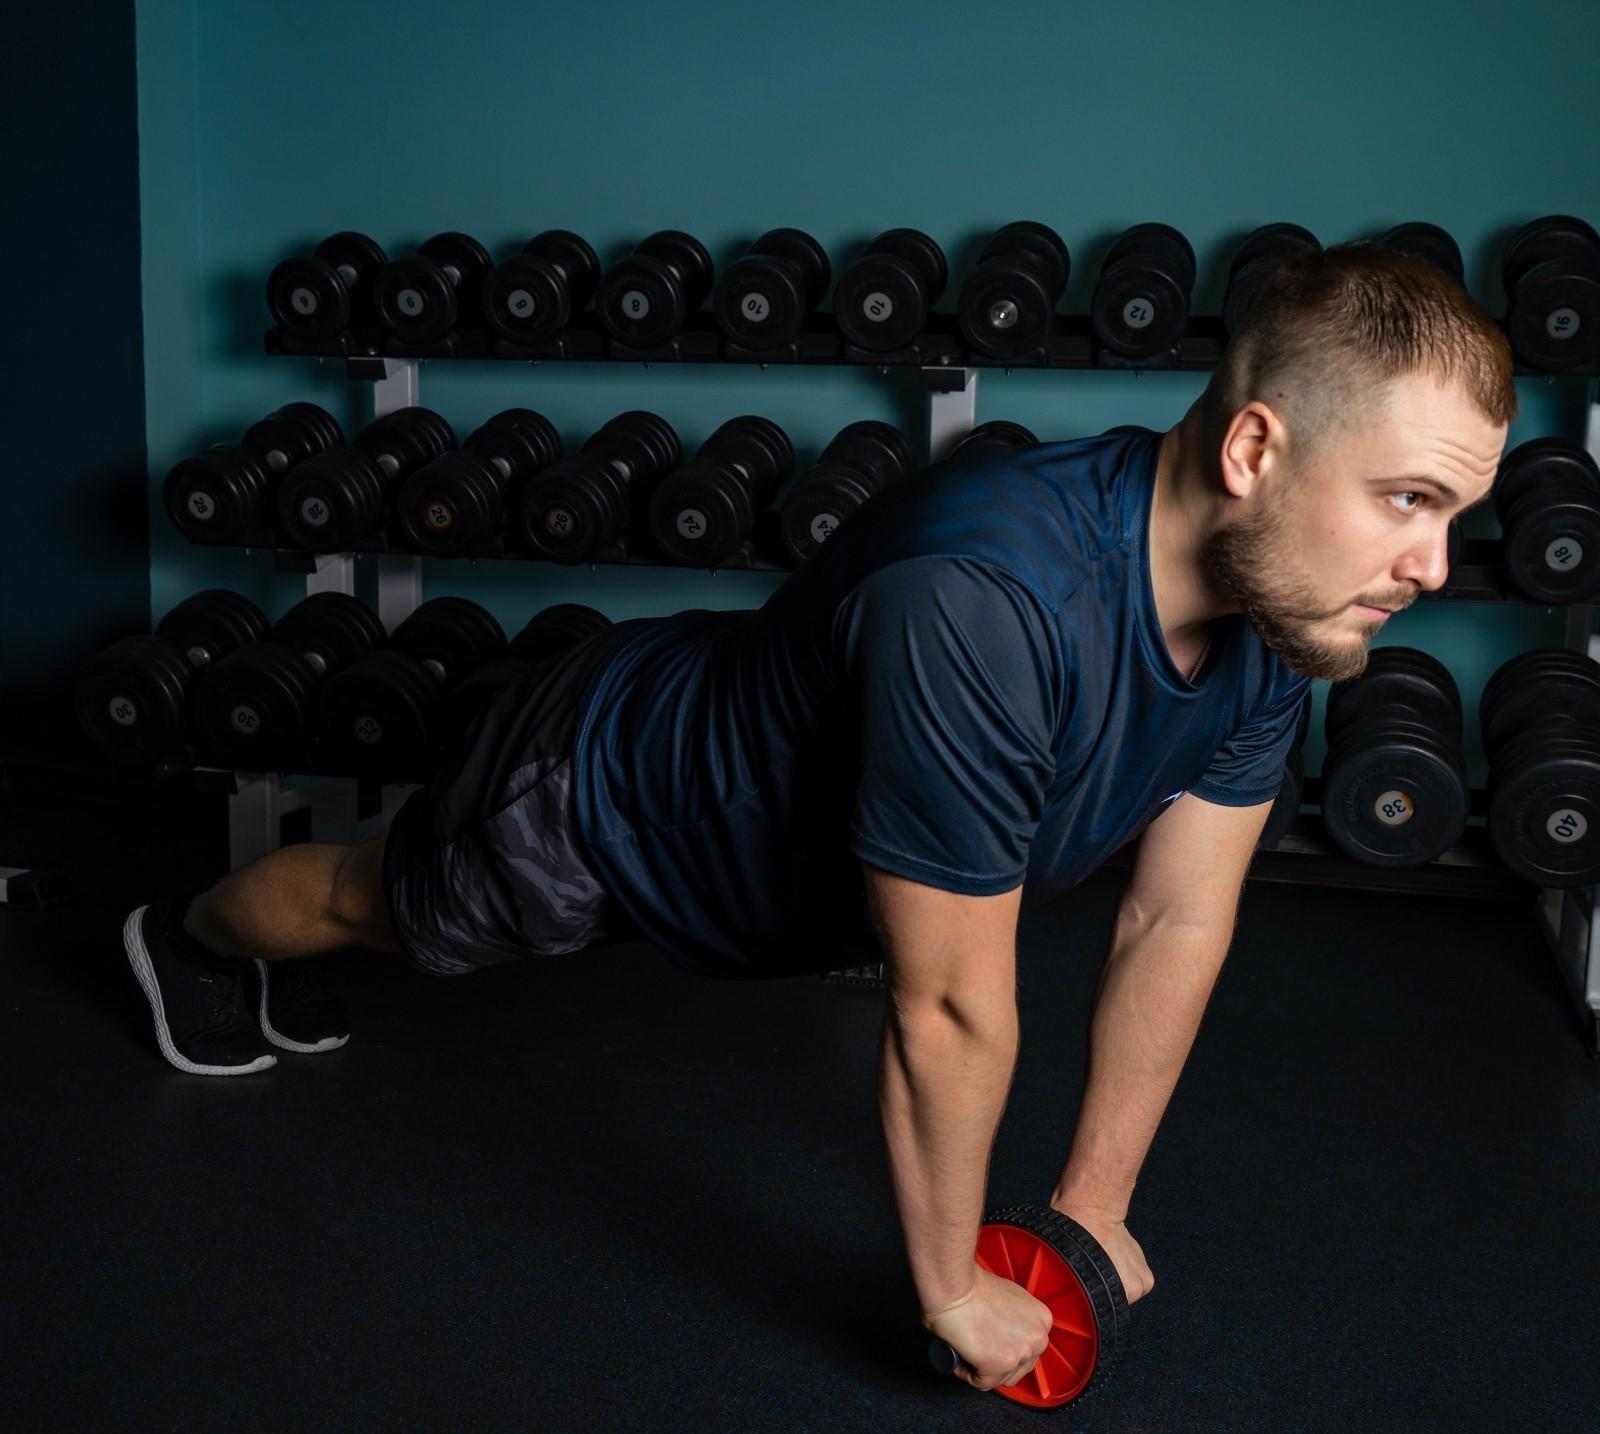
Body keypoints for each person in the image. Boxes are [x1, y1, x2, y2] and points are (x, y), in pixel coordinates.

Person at [122, 242, 1512, 1393]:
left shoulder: (1287, 614)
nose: (1433, 565)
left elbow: (1177, 913)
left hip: (777, 868)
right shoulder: (991, 596)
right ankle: (180, 932)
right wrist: (951, 1281)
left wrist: (1092, 1202)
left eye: (1456, 516)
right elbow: (954, 1008)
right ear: (1257, 448)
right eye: (1410, 500)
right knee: (370, 906)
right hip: (606, 798)